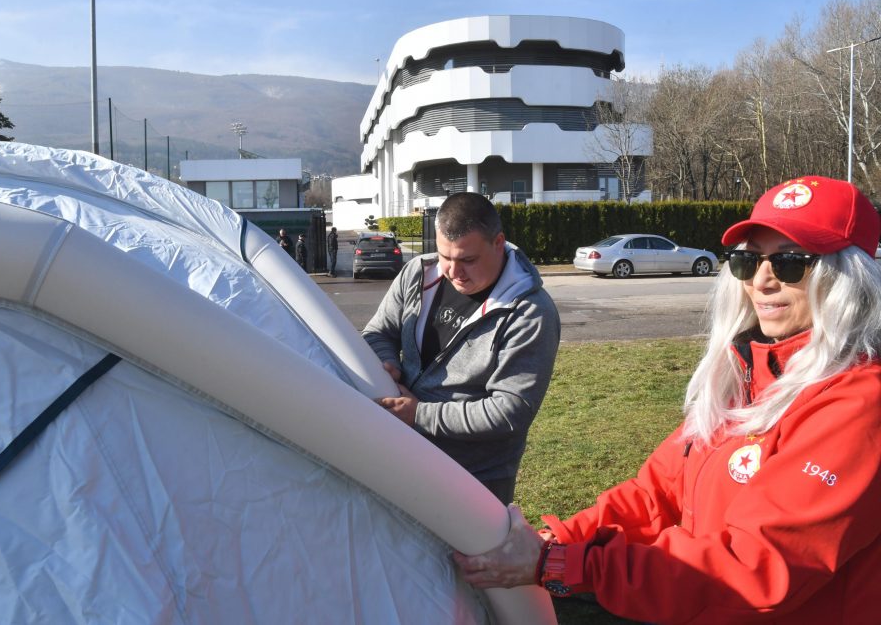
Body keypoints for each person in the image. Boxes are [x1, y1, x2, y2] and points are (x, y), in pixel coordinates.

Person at [453, 176, 881, 625]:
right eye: (747, 260)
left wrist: (562, 565)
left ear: (847, 278)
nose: (762, 279)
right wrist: (553, 541)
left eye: (792, 262)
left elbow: (754, 564)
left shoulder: (859, 404)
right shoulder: (744, 374)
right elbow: (655, 493)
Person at [362, 192, 561, 504]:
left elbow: (509, 413)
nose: (453, 272)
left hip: (476, 479)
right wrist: (388, 364)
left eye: (468, 260)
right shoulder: (418, 272)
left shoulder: (530, 313)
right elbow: (378, 332)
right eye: (445, 257)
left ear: (498, 243)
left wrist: (419, 415)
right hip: (402, 453)